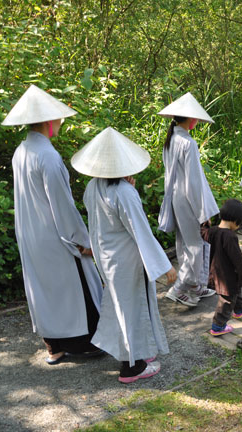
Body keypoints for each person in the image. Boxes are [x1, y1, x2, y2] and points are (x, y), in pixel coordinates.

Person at [4, 84, 104, 365]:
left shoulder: (21, 151)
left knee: (42, 289)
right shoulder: (48, 156)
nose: (60, 122)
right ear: (48, 121)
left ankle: (54, 346)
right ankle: (83, 345)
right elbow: (62, 205)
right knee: (75, 286)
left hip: (30, 233)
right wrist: (82, 240)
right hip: (54, 235)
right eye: (58, 118)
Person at [71, 127, 177, 383]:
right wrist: (165, 266)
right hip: (127, 259)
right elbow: (140, 231)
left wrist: (93, 249)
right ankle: (132, 366)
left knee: (126, 306)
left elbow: (100, 224)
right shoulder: (123, 192)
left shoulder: (93, 186)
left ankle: (140, 352)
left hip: (109, 258)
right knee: (130, 309)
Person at [157, 92, 219, 307]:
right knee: (195, 245)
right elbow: (193, 182)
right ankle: (180, 287)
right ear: (191, 119)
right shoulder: (187, 143)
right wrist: (203, 212)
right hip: (188, 198)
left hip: (177, 197)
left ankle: (195, 285)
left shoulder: (172, 139)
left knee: (185, 243)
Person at [202, 199, 242, 336]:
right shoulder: (230, 236)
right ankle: (218, 326)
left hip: (215, 271)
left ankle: (241, 309)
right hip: (226, 275)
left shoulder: (212, 231)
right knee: (227, 300)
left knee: (235, 291)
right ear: (235, 221)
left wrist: (205, 222)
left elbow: (202, 232)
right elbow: (237, 259)